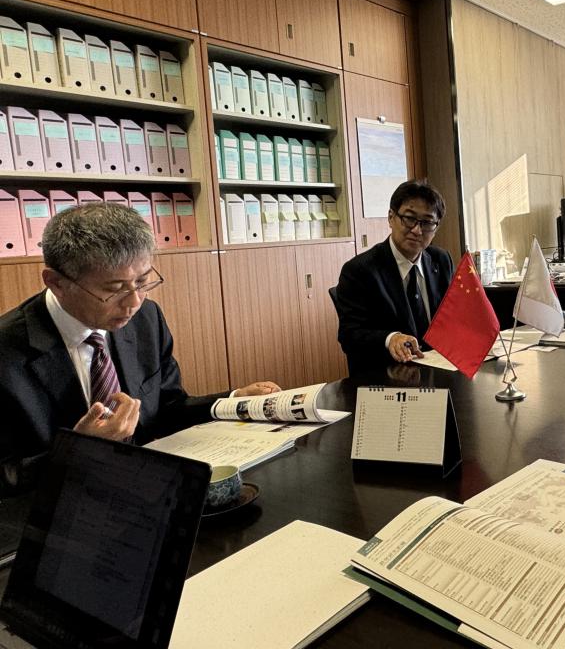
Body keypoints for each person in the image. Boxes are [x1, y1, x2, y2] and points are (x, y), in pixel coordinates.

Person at [0, 203, 279, 493]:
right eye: (114, 289)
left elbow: (166, 409)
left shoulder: (146, 318)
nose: (134, 302)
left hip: (146, 492)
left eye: (142, 281)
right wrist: (79, 451)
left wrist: (234, 401)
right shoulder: (6, 352)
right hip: (60, 506)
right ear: (56, 283)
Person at [335, 180, 454, 373]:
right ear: (391, 217)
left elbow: (453, 316)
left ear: (436, 227)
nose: (417, 230)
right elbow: (349, 335)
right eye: (409, 218)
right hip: (390, 375)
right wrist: (390, 338)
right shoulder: (359, 270)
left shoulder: (441, 260)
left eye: (427, 222)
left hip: (440, 371)